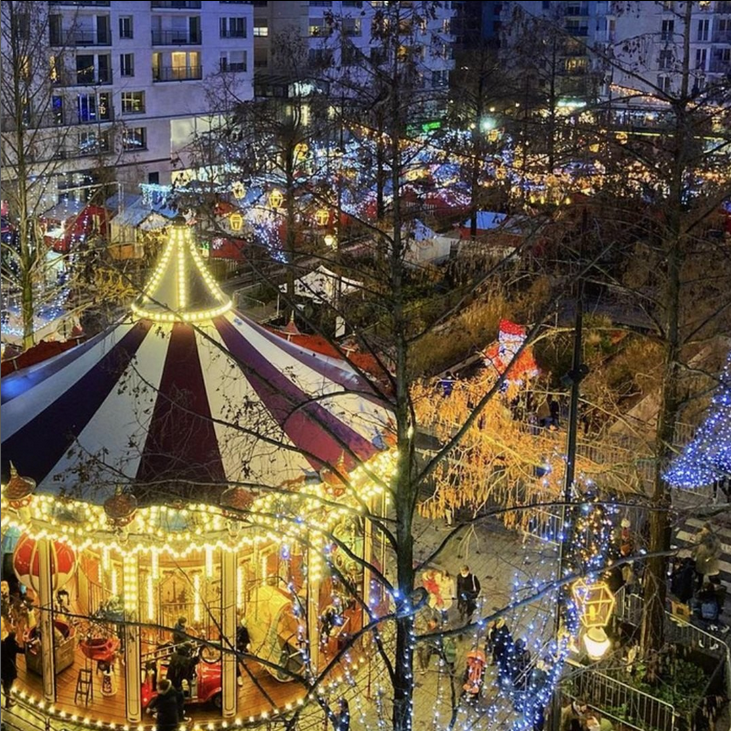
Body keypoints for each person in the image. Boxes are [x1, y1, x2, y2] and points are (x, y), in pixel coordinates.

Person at [1, 630, 25, 708]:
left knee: (5, 684)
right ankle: (8, 702)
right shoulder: (13, 645)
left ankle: (8, 697)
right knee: (9, 684)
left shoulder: (4, 643)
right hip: (9, 668)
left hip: (3, 668)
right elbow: (22, 650)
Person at [235, 618, 250, 687]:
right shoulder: (232, 630)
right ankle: (239, 677)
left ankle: (239, 677)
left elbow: (246, 641)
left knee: (235, 662)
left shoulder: (243, 630)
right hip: (234, 648)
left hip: (239, 648)